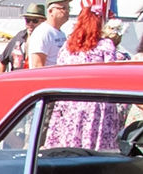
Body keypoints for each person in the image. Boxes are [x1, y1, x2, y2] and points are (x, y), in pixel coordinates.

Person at [46, 9, 126, 150]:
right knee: (95, 151)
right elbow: (112, 75)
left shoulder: (68, 47)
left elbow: (60, 74)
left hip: (69, 103)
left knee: (68, 149)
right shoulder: (105, 46)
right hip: (96, 104)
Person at [28, 0, 71, 68]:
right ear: (50, 11)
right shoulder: (43, 32)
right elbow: (37, 65)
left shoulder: (60, 33)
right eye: (63, 8)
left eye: (68, 8)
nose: (67, 11)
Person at [0, 5, 44, 71]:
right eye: (28, 20)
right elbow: (2, 61)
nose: (30, 24)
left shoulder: (47, 38)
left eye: (35, 21)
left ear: (43, 22)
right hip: (16, 79)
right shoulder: (18, 37)